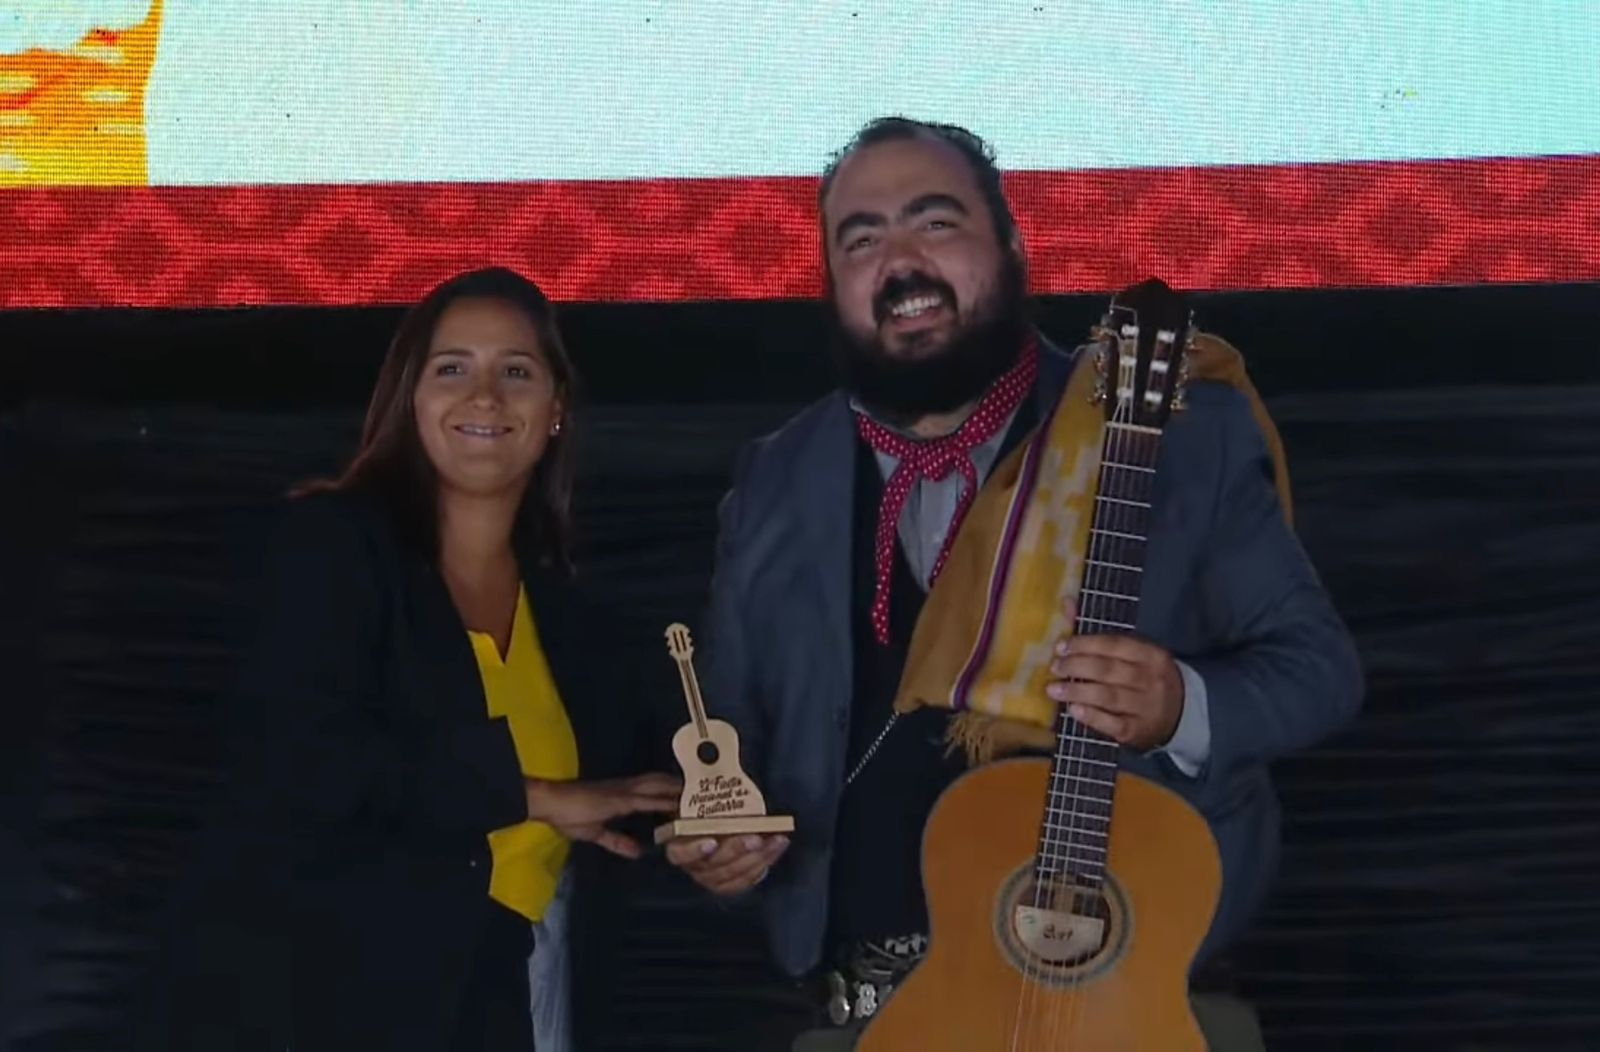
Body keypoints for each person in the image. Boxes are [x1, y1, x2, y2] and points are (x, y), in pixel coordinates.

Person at [664, 117, 1365, 1051]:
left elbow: (1319, 671)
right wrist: (726, 846)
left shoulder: (1165, 435)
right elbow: (734, 745)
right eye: (862, 240)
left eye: (935, 223)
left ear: (1014, 245)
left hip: (1125, 1010)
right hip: (873, 1023)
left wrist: (1179, 706)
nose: (901, 264)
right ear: (831, 281)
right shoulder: (777, 480)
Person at [148, 266, 681, 1052]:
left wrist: (716, 841)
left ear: (556, 410)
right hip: (327, 1009)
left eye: (517, 372)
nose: (485, 397)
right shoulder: (334, 546)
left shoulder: (579, 626)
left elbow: (630, 801)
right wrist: (530, 795)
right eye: (452, 368)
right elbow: (306, 761)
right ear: (411, 398)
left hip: (519, 1004)